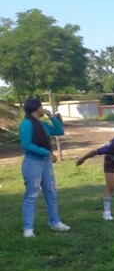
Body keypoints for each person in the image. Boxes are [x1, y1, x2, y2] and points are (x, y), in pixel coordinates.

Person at [19, 98, 70, 237]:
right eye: (42, 107)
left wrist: (52, 117)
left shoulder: (43, 124)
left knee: (51, 193)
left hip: (45, 164)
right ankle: (28, 228)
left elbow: (59, 131)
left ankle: (55, 222)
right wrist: (48, 153)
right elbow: (26, 145)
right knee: (31, 195)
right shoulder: (26, 125)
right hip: (33, 163)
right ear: (37, 109)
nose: (44, 109)